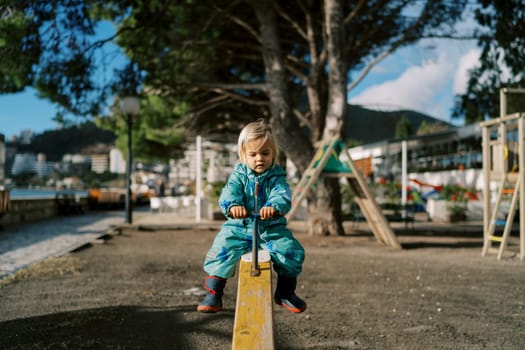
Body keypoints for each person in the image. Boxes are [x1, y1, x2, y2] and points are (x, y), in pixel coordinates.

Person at [197, 120, 307, 314]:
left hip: (270, 227)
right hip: (241, 225)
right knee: (222, 249)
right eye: (253, 154)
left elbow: (282, 194)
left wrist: (273, 206)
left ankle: (285, 292)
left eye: (265, 153)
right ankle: (214, 293)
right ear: (243, 155)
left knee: (290, 250)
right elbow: (229, 193)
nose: (259, 159)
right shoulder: (239, 175)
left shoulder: (276, 177)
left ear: (273, 154)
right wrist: (233, 205)